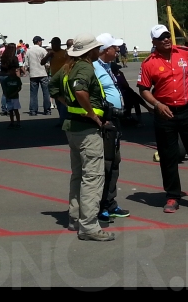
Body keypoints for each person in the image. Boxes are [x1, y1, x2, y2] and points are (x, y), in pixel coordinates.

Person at [138, 25, 188, 215]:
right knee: (168, 156)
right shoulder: (149, 63)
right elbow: (144, 89)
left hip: (187, 110)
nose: (166, 39)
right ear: (153, 42)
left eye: (167, 35)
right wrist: (157, 105)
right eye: (161, 37)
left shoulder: (185, 52)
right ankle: (172, 196)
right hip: (165, 113)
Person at [49, 34, 114, 242]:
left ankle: (75, 217)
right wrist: (92, 114)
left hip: (73, 127)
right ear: (89, 51)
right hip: (87, 129)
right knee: (93, 177)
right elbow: (80, 90)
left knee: (78, 175)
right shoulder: (85, 67)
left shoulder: (68, 67)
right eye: (96, 48)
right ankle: (89, 226)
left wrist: (69, 106)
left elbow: (53, 86)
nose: (99, 51)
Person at [93, 35, 130, 223]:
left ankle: (110, 202)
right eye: (114, 48)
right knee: (106, 163)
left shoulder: (107, 67)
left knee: (115, 161)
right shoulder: (94, 67)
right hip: (105, 120)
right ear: (105, 49)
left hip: (115, 119)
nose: (118, 50)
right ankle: (101, 206)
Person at [26, 36, 51, 115]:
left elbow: (26, 64)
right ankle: (47, 110)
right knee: (46, 93)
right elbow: (47, 63)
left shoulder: (29, 51)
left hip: (33, 74)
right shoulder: (42, 50)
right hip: (42, 73)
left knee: (33, 94)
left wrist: (30, 70)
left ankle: (33, 110)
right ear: (39, 42)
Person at [1, 63, 23, 128]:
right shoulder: (6, 79)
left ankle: (18, 122)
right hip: (9, 97)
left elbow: (19, 87)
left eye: (14, 71)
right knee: (10, 111)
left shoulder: (17, 79)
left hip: (15, 97)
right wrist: (6, 94)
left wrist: (15, 92)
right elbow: (4, 88)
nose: (12, 72)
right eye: (11, 71)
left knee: (16, 110)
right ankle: (12, 122)